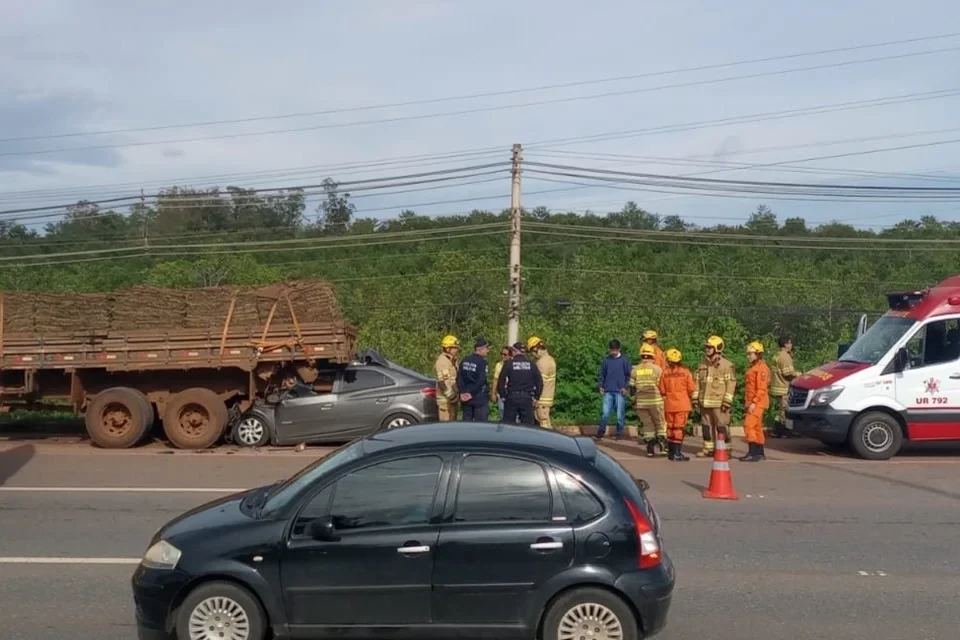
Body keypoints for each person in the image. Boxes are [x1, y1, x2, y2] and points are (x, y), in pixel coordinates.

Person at [692, 335, 737, 457]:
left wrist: (727, 401)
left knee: (721, 426)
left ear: (717, 348)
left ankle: (725, 450)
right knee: (706, 426)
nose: (707, 349)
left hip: (719, 402)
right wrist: (695, 397)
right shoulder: (702, 364)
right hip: (704, 402)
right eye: (706, 347)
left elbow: (731, 384)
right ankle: (708, 449)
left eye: (710, 347)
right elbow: (696, 382)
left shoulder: (727, 365)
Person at [630, 343, 667, 457]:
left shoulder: (635, 370)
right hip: (656, 401)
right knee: (660, 424)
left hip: (641, 402)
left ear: (642, 355)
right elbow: (662, 386)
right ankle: (662, 448)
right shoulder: (657, 369)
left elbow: (632, 388)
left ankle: (650, 449)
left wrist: (633, 400)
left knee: (647, 425)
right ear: (652, 356)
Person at [659, 348, 695, 461]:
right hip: (682, 404)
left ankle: (671, 452)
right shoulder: (686, 372)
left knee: (670, 428)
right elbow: (691, 388)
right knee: (678, 429)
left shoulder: (665, 373)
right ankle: (677, 453)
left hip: (669, 405)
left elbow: (662, 389)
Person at [497, 344, 543, 425]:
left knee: (508, 425)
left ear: (515, 351)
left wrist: (503, 396)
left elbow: (501, 381)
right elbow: (539, 382)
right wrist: (536, 397)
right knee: (527, 426)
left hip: (512, 397)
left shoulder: (509, 364)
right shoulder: (531, 364)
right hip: (527, 398)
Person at [741, 341, 771, 462]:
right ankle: (759, 453)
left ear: (758, 354)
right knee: (757, 427)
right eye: (748, 354)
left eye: (751, 354)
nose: (748, 356)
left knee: (748, 425)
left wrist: (754, 402)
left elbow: (761, 388)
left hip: (757, 402)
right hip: (753, 402)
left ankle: (753, 452)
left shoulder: (761, 368)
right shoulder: (753, 367)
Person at [596, 339, 632, 440]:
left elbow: (629, 375)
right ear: (609, 349)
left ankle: (618, 433)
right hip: (608, 390)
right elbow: (602, 374)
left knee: (620, 414)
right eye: (612, 350)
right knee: (605, 413)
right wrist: (601, 386)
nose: (613, 352)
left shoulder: (624, 360)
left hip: (620, 391)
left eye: (615, 350)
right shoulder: (606, 360)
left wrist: (626, 387)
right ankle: (601, 432)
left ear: (619, 349)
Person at [770, 336, 799, 438]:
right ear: (786, 344)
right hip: (783, 387)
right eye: (790, 343)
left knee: (781, 411)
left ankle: (776, 430)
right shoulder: (785, 356)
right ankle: (785, 431)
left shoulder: (777, 355)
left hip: (776, 385)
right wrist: (798, 375)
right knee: (785, 411)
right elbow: (788, 374)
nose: (791, 345)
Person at [457, 338, 491, 422]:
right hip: (478, 397)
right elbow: (481, 381)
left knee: (467, 424)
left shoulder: (465, 360)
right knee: (480, 426)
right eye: (487, 348)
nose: (488, 351)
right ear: (480, 349)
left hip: (465, 398)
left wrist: (463, 392)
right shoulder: (482, 362)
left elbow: (459, 377)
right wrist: (470, 392)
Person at [527, 336, 557, 429]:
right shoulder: (551, 360)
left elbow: (539, 383)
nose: (532, 355)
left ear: (536, 349)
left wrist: (535, 397)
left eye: (532, 352)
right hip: (547, 398)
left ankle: (549, 441)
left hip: (541, 399)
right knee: (545, 421)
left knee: (543, 422)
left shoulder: (541, 363)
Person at [435, 335, 461, 421]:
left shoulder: (452, 359)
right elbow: (442, 382)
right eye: (455, 348)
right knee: (446, 428)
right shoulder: (443, 361)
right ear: (447, 349)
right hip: (445, 402)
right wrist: (451, 396)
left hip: (452, 399)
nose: (457, 350)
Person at [492, 345, 512, 419]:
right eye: (501, 354)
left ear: (510, 355)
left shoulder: (513, 364)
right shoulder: (499, 365)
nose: (503, 356)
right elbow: (495, 379)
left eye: (505, 354)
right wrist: (493, 393)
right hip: (501, 393)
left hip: (511, 393)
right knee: (502, 413)